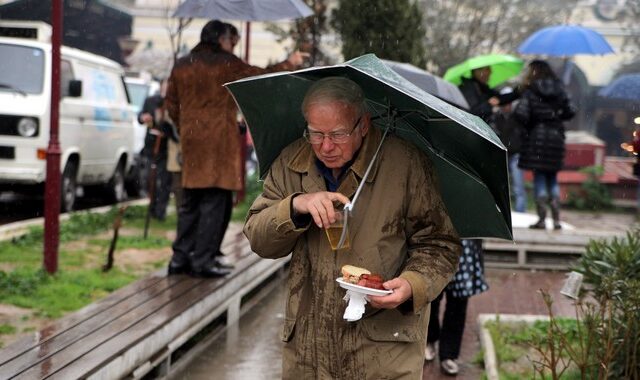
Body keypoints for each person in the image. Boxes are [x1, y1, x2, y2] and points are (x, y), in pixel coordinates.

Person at [243, 77, 462, 379]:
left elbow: (439, 244)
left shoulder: (405, 164)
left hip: (381, 352)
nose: (326, 146)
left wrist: (413, 284)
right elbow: (258, 237)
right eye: (316, 134)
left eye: (338, 134)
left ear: (363, 125)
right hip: (309, 349)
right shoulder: (291, 163)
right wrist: (295, 206)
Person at [165, 20, 307, 277]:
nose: (234, 44)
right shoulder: (226, 63)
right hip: (219, 144)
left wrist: (187, 127)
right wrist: (290, 62)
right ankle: (204, 260)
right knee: (215, 201)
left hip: (192, 142)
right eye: (233, 39)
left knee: (190, 202)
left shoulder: (182, 65)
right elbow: (261, 76)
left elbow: (171, 104)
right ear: (221, 38)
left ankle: (180, 258)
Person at [515, 60, 576, 230]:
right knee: (552, 177)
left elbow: (521, 114)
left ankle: (542, 219)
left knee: (540, 177)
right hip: (556, 137)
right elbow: (571, 110)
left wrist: (531, 124)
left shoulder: (531, 90)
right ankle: (556, 218)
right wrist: (556, 116)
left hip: (537, 138)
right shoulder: (560, 89)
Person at [424, 239, 488, 375]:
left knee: (458, 305)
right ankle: (429, 339)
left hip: (465, 250)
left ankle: (449, 354)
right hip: (436, 247)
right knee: (431, 300)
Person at [138, 79, 173, 221]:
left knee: (164, 181)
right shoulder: (151, 101)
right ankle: (152, 208)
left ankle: (160, 212)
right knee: (149, 179)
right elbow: (140, 116)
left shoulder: (173, 104)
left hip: (165, 148)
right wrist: (143, 118)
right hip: (150, 146)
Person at [493, 88, 527, 213]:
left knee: (518, 186)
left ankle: (520, 212)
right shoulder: (497, 117)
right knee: (502, 186)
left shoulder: (518, 116)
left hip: (516, 153)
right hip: (503, 153)